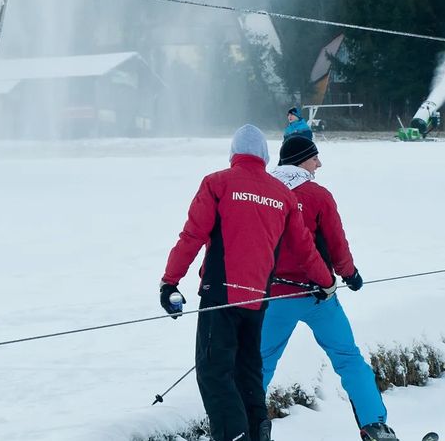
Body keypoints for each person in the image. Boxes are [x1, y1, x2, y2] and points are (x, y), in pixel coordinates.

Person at [160, 124, 336, 441]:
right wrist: (326, 281)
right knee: (247, 372)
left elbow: (192, 237)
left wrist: (169, 282)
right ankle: (258, 432)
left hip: (221, 297)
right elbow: (305, 248)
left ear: (233, 155)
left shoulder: (218, 183)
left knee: (214, 373)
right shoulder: (282, 194)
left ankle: (234, 436)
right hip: (257, 301)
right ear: (265, 157)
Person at [263, 135, 397, 441]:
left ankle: (246, 428)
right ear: (300, 160)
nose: (319, 164)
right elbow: (336, 242)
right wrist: (350, 274)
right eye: (314, 158)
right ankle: (375, 426)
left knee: (260, 363)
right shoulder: (318, 195)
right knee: (348, 358)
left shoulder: (264, 191)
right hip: (317, 296)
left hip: (274, 295)